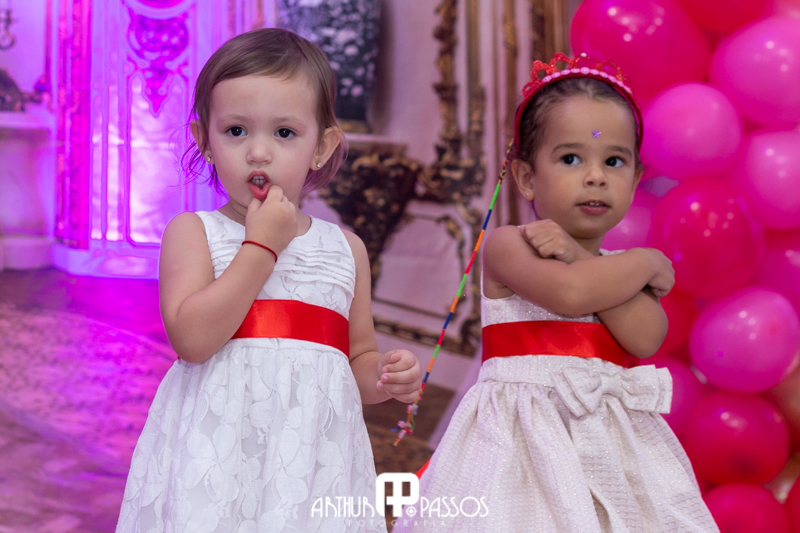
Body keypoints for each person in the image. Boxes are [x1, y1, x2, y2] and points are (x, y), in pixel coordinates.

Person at [393, 54, 718, 532]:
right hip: (520, 437)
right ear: (527, 178)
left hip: (612, 443)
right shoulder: (511, 245)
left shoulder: (617, 271)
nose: (595, 176)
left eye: (614, 161)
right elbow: (568, 293)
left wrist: (580, 254)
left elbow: (647, 337)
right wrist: (647, 261)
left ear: (635, 179)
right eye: (571, 159)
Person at [115, 28, 422, 533]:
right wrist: (261, 247)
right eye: (236, 130)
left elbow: (356, 361)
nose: (258, 152)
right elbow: (193, 341)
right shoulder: (194, 233)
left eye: (284, 133)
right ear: (204, 140)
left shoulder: (345, 249)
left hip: (312, 463)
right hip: (217, 454)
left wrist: (386, 376)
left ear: (322, 146)